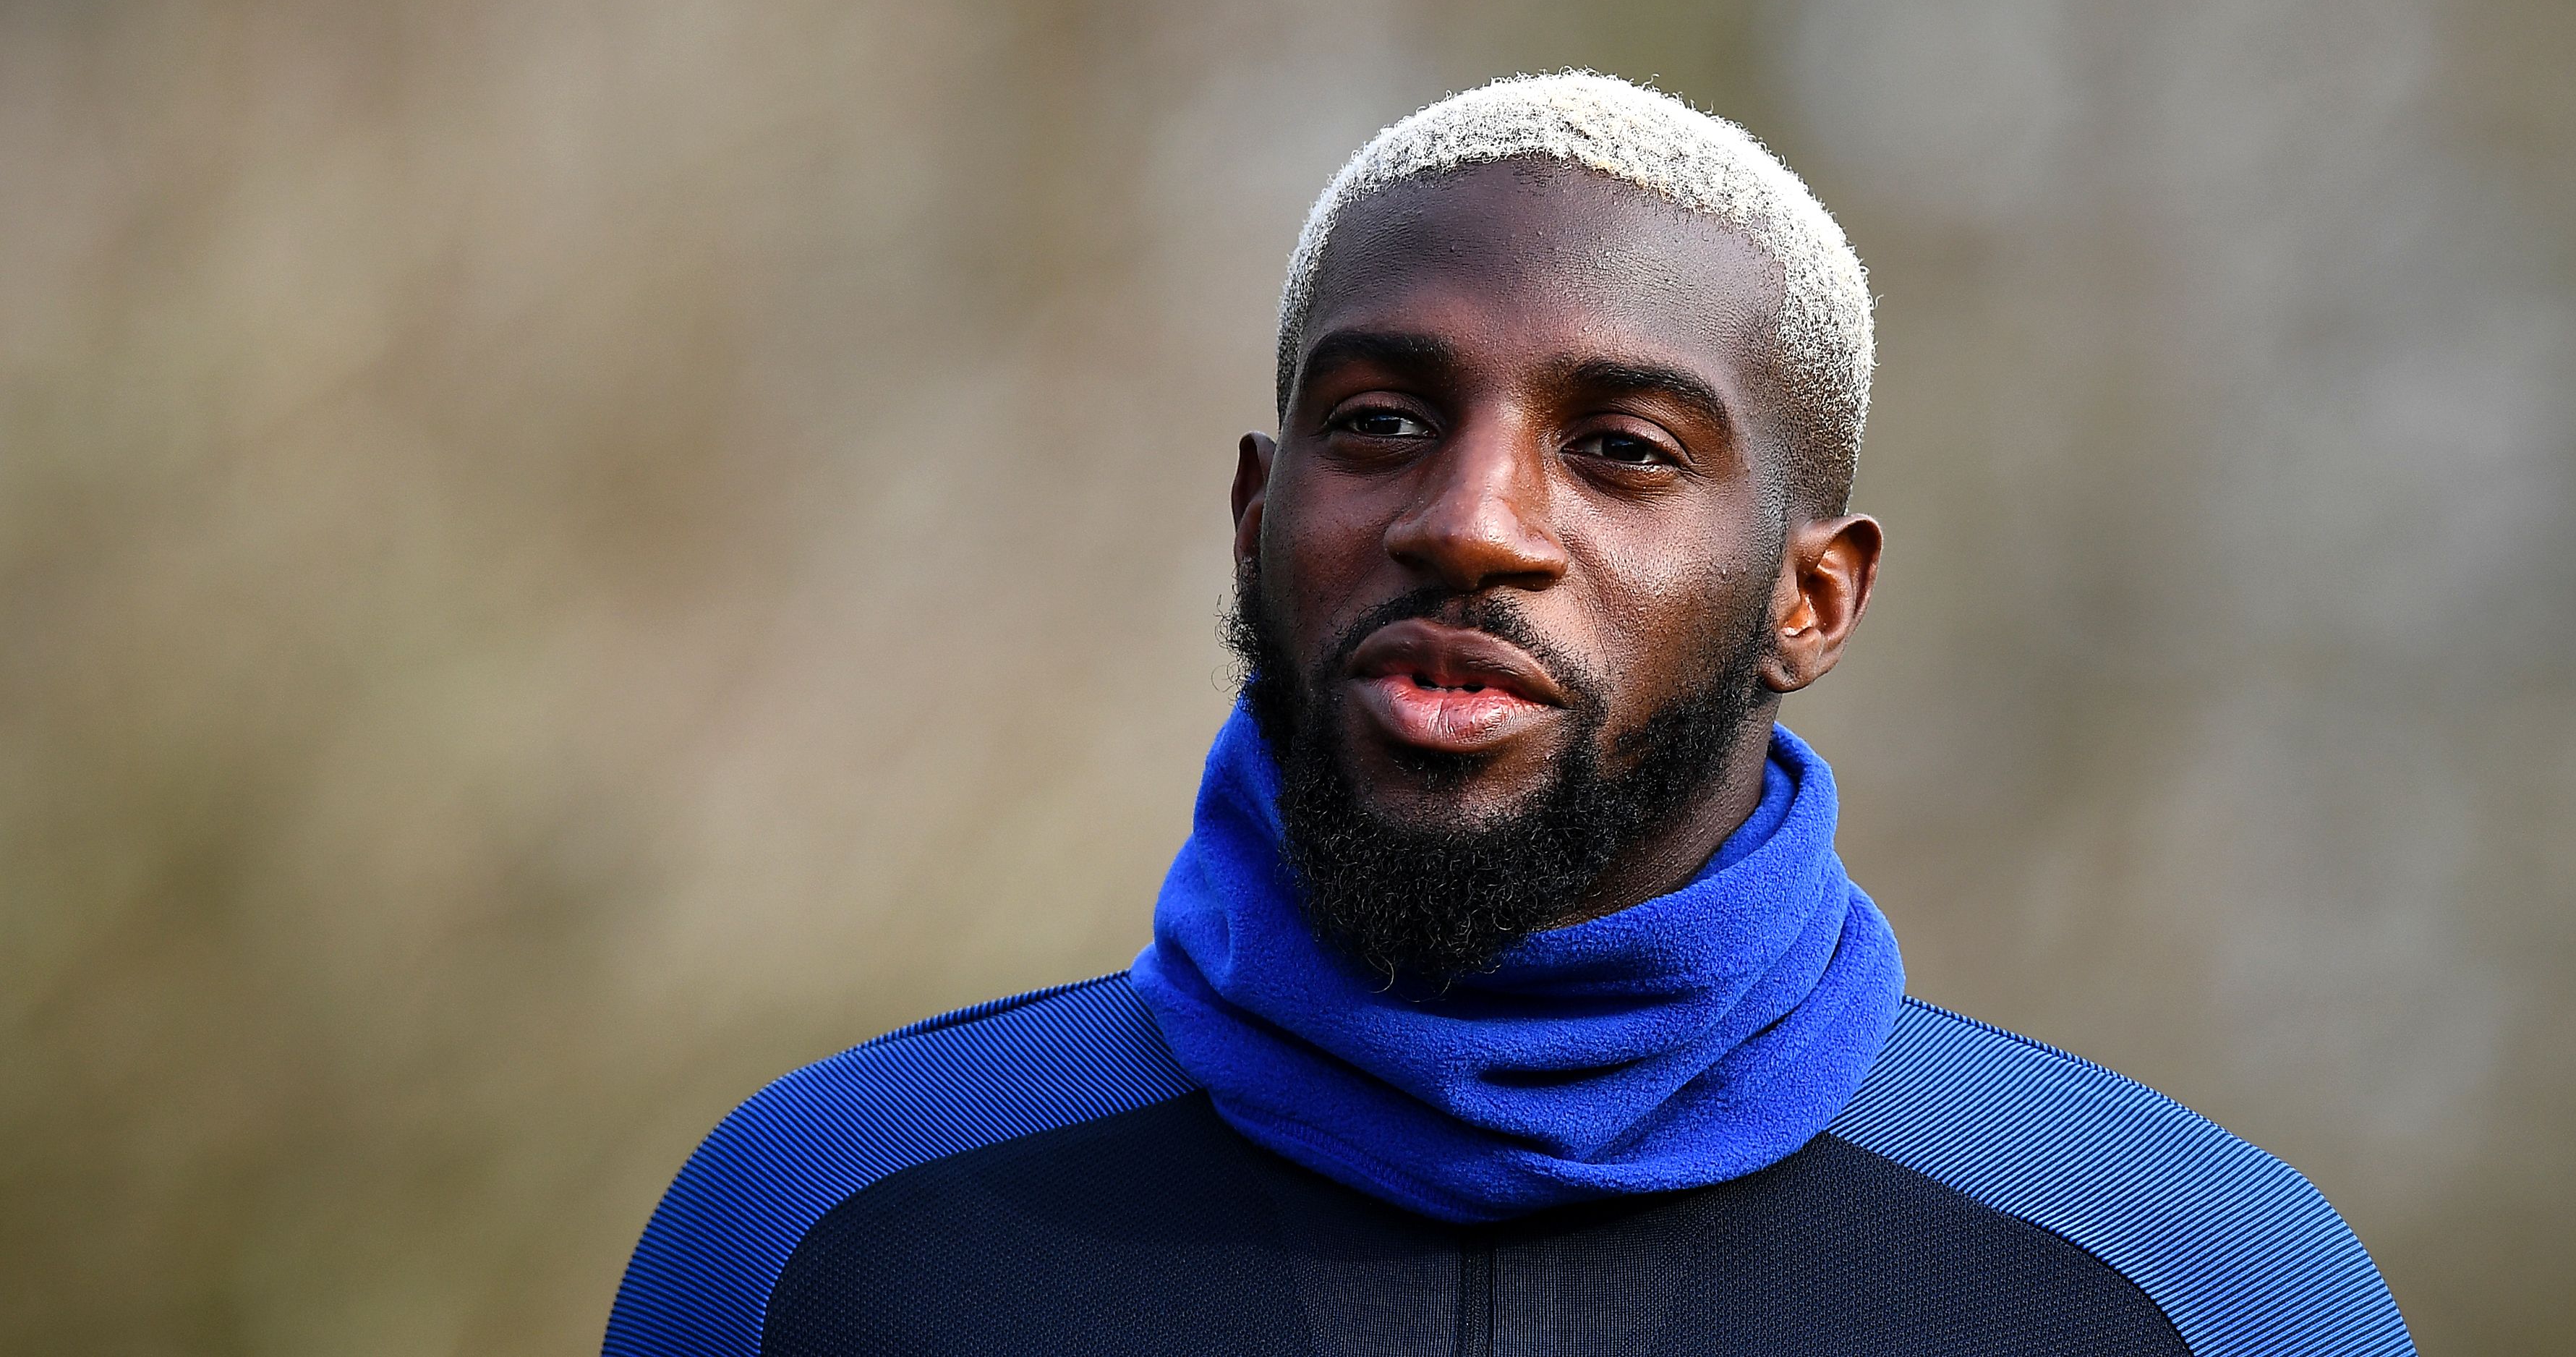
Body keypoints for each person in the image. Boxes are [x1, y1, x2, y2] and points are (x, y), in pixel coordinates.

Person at [602, 73, 2416, 1356]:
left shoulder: (2194, 1287)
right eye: (1382, 416)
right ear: (1257, 515)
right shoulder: (813, 1232)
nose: (1469, 518)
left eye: (1622, 449)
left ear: (1813, 597)